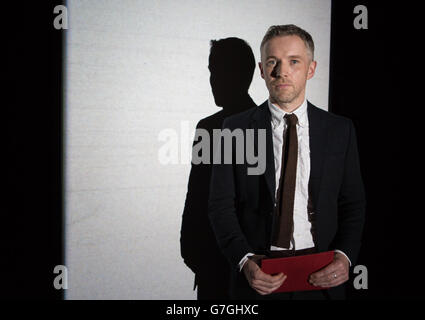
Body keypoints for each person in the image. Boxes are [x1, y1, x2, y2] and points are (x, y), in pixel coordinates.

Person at [208, 24, 366, 300]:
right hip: (258, 276)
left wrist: (344, 257)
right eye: (273, 62)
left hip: (322, 275)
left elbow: (353, 202)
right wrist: (244, 260)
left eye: (294, 61)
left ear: (311, 69)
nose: (281, 72)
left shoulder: (341, 130)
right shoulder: (231, 129)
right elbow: (220, 205)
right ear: (261, 69)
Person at [180, 37, 257, 299]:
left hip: (216, 264)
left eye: (216, 71)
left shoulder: (210, 128)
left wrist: (195, 255)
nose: (212, 80)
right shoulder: (268, 126)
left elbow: (197, 199)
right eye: (211, 72)